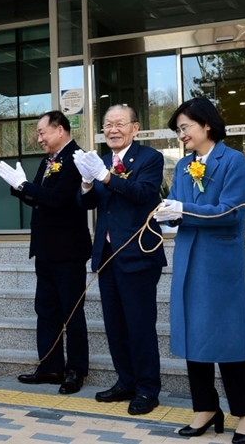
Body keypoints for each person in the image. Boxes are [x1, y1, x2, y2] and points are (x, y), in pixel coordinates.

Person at [155, 98, 245, 443]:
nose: (181, 134)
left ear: (207, 125)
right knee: (192, 334)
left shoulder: (232, 161)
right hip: (189, 258)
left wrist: (183, 208)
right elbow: (180, 205)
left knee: (225, 337)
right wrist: (168, 213)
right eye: (178, 129)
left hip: (219, 262)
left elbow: (229, 212)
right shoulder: (184, 165)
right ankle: (206, 407)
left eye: (184, 127)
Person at [74, 104, 166, 415]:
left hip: (138, 253)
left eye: (119, 124)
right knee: (115, 324)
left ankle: (147, 388)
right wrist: (87, 182)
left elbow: (143, 193)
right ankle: (125, 381)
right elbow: (87, 203)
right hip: (107, 256)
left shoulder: (149, 158)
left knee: (139, 325)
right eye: (107, 124)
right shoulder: (99, 161)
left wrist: (107, 177)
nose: (112, 129)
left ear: (135, 128)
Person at [0, 111, 91, 394]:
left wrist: (27, 187)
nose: (38, 138)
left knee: (72, 312)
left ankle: (75, 369)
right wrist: (19, 188)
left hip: (69, 250)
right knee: (46, 310)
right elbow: (38, 198)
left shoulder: (76, 158)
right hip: (46, 249)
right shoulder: (50, 161)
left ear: (59, 130)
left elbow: (59, 199)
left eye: (41, 132)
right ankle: (50, 366)